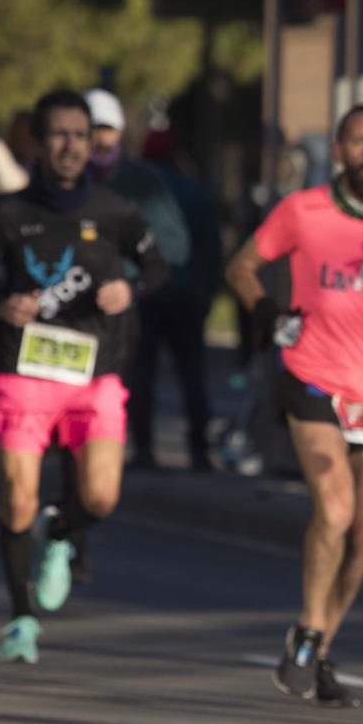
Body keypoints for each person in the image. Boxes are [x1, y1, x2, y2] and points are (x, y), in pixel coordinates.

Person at [225, 103, 363, 707]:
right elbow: (242, 267)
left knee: (362, 537)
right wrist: (269, 313)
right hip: (313, 379)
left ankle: (318, 649)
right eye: (357, 141)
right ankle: (310, 628)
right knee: (333, 510)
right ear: (338, 151)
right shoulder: (301, 211)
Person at [0, 89, 168, 665]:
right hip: (25, 373)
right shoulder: (10, 213)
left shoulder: (113, 211)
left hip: (94, 374)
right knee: (16, 498)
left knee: (101, 497)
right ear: (36, 141)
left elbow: (158, 263)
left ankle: (61, 530)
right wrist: (1, 303)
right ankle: (20, 618)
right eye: (58, 135)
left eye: (80, 136)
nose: (70, 147)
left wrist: (131, 287)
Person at [127, 128, 223, 472]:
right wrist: (209, 291)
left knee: (142, 373)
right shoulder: (194, 192)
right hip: (187, 292)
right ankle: (199, 448)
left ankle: (144, 447)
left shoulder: (137, 193)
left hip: (147, 293)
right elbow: (212, 247)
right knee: (192, 374)